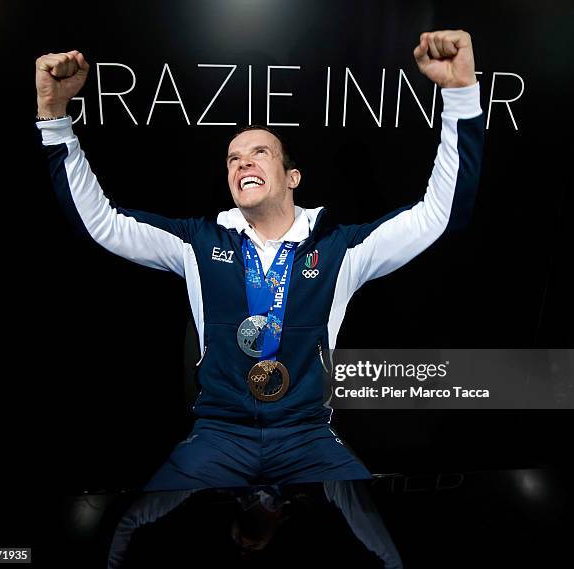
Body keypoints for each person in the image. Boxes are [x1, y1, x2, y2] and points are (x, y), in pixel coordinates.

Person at [36, 30, 483, 568]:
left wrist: (460, 95)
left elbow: (440, 214)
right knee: (124, 536)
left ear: (292, 176)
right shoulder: (196, 242)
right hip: (217, 436)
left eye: (259, 153)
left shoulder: (342, 248)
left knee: (391, 552)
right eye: (232, 159)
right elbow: (99, 224)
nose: (242, 163)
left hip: (308, 435)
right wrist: (55, 116)